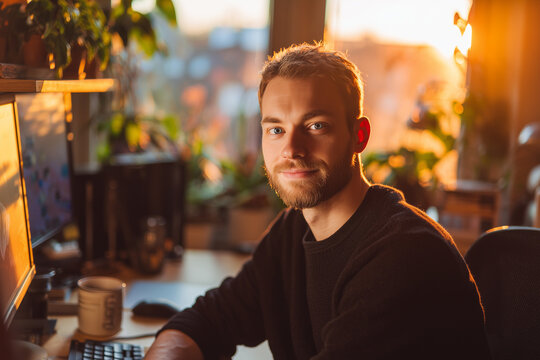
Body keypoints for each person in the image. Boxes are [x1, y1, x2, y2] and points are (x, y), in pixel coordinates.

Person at [145, 43, 491, 359]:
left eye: (315, 126)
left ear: (359, 136)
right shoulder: (292, 231)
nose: (291, 149)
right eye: (276, 129)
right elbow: (209, 319)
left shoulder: (404, 257)